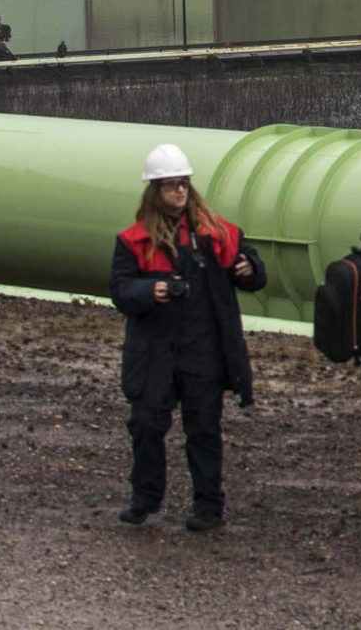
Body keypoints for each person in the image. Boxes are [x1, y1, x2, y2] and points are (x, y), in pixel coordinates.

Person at [110, 143, 267, 531]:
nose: (179, 191)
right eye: (170, 186)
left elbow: (254, 275)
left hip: (203, 351)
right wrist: (152, 292)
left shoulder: (217, 235)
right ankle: (145, 499)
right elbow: (120, 290)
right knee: (146, 425)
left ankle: (208, 508)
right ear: (155, 192)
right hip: (155, 351)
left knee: (204, 429)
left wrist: (250, 268)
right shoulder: (134, 240)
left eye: (183, 184)